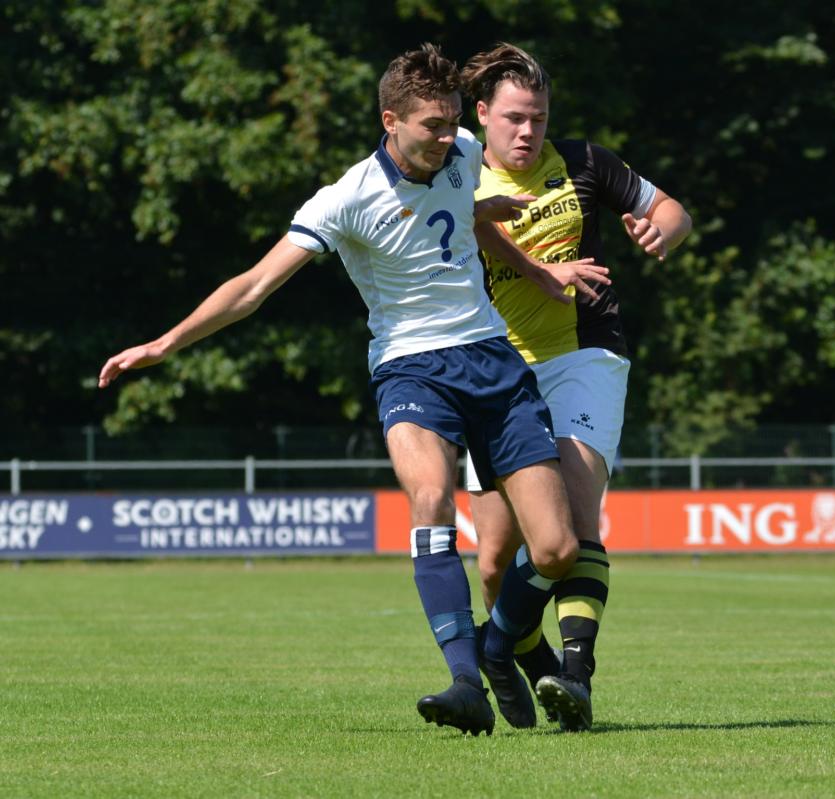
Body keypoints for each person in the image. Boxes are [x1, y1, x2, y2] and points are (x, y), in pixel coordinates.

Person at [97, 44, 612, 735]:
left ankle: (497, 645)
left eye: (452, 120)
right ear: (389, 118)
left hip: (493, 361)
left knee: (555, 549)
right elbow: (252, 286)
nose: (449, 136)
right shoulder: (346, 199)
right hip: (410, 369)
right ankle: (464, 679)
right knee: (429, 494)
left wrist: (508, 227)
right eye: (432, 123)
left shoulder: (459, 149)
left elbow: (468, 212)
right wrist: (165, 343)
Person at [460, 43, 692, 731]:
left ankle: (576, 672)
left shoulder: (588, 163)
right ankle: (517, 656)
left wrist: (663, 232)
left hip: (584, 352)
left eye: (538, 116)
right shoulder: (456, 178)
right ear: (482, 116)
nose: (528, 130)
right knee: (498, 560)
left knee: (574, 521)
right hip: (493, 369)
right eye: (513, 118)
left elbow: (673, 209)